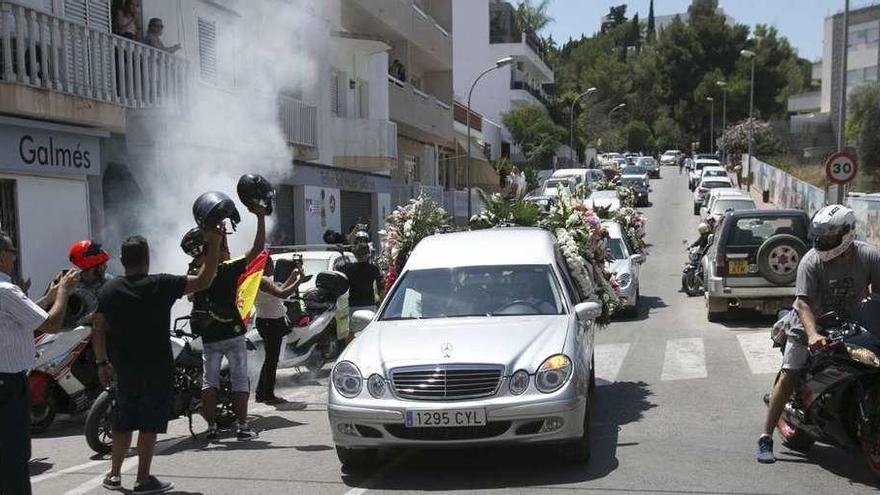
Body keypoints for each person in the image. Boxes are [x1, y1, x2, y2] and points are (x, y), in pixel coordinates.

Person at [92, 232, 221, 493]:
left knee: (123, 422)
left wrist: (101, 362)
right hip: (157, 370)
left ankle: (114, 475)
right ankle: (142, 479)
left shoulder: (109, 289)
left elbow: (97, 327)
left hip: (124, 370)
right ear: (147, 259)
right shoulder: (161, 284)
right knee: (149, 424)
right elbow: (205, 280)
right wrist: (215, 245)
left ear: (122, 260)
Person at [757, 205, 880, 464]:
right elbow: (803, 304)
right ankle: (765, 437)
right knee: (791, 371)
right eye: (819, 236)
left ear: (847, 234)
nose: (822, 241)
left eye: (828, 236)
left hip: (849, 322)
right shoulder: (810, 261)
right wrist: (812, 335)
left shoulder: (869, 256)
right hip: (808, 323)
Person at [0, 232, 78, 495]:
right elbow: (52, 324)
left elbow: (22, 316)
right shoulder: (7, 290)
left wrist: (48, 298)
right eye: (12, 252)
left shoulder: (8, 293)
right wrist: (63, 294)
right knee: (14, 457)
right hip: (8, 384)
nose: (14, 258)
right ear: (1, 254)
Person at [188, 205, 266, 442]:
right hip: (232, 333)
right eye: (225, 246)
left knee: (208, 382)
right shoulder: (228, 269)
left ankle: (211, 428)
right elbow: (258, 249)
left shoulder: (195, 271)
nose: (228, 250)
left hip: (209, 337)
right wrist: (261, 218)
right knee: (239, 381)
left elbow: (190, 296)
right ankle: (242, 426)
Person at [254, 258, 303, 404]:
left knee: (270, 359)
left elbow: (280, 292)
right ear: (265, 265)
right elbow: (282, 294)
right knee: (271, 360)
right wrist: (299, 281)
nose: (274, 268)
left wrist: (293, 276)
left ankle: (261, 393)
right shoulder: (263, 280)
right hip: (270, 323)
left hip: (269, 322)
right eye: (272, 265)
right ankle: (267, 394)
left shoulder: (265, 280)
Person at [37, 240, 112, 321]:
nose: (105, 267)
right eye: (102, 264)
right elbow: (45, 310)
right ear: (93, 266)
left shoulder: (109, 282)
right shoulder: (66, 282)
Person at [339, 244, 384, 337]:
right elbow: (381, 288)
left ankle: (348, 350)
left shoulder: (348, 268)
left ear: (355, 255)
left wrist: (342, 253)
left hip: (353, 305)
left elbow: (339, 270)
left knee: (351, 333)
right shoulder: (373, 269)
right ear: (368, 254)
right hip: (369, 304)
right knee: (371, 333)